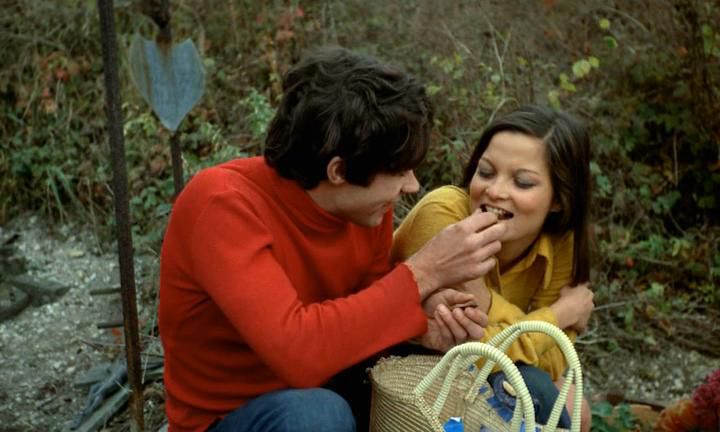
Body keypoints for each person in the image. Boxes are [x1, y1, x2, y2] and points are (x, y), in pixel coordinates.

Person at [158, 46, 507, 432]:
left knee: (501, 387)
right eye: (399, 171)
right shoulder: (222, 205)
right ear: (339, 171)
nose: (412, 185)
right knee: (316, 417)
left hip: (330, 380)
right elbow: (298, 354)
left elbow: (364, 307)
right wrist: (424, 272)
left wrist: (423, 320)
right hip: (231, 416)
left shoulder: (365, 209)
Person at [391, 105, 595, 431]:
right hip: (408, 368)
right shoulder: (444, 214)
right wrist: (559, 315)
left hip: (490, 373)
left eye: (522, 182)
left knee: (571, 404)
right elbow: (470, 350)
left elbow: (557, 357)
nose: (495, 191)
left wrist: (497, 315)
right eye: (485, 173)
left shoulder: (560, 240)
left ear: (559, 199)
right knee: (539, 391)